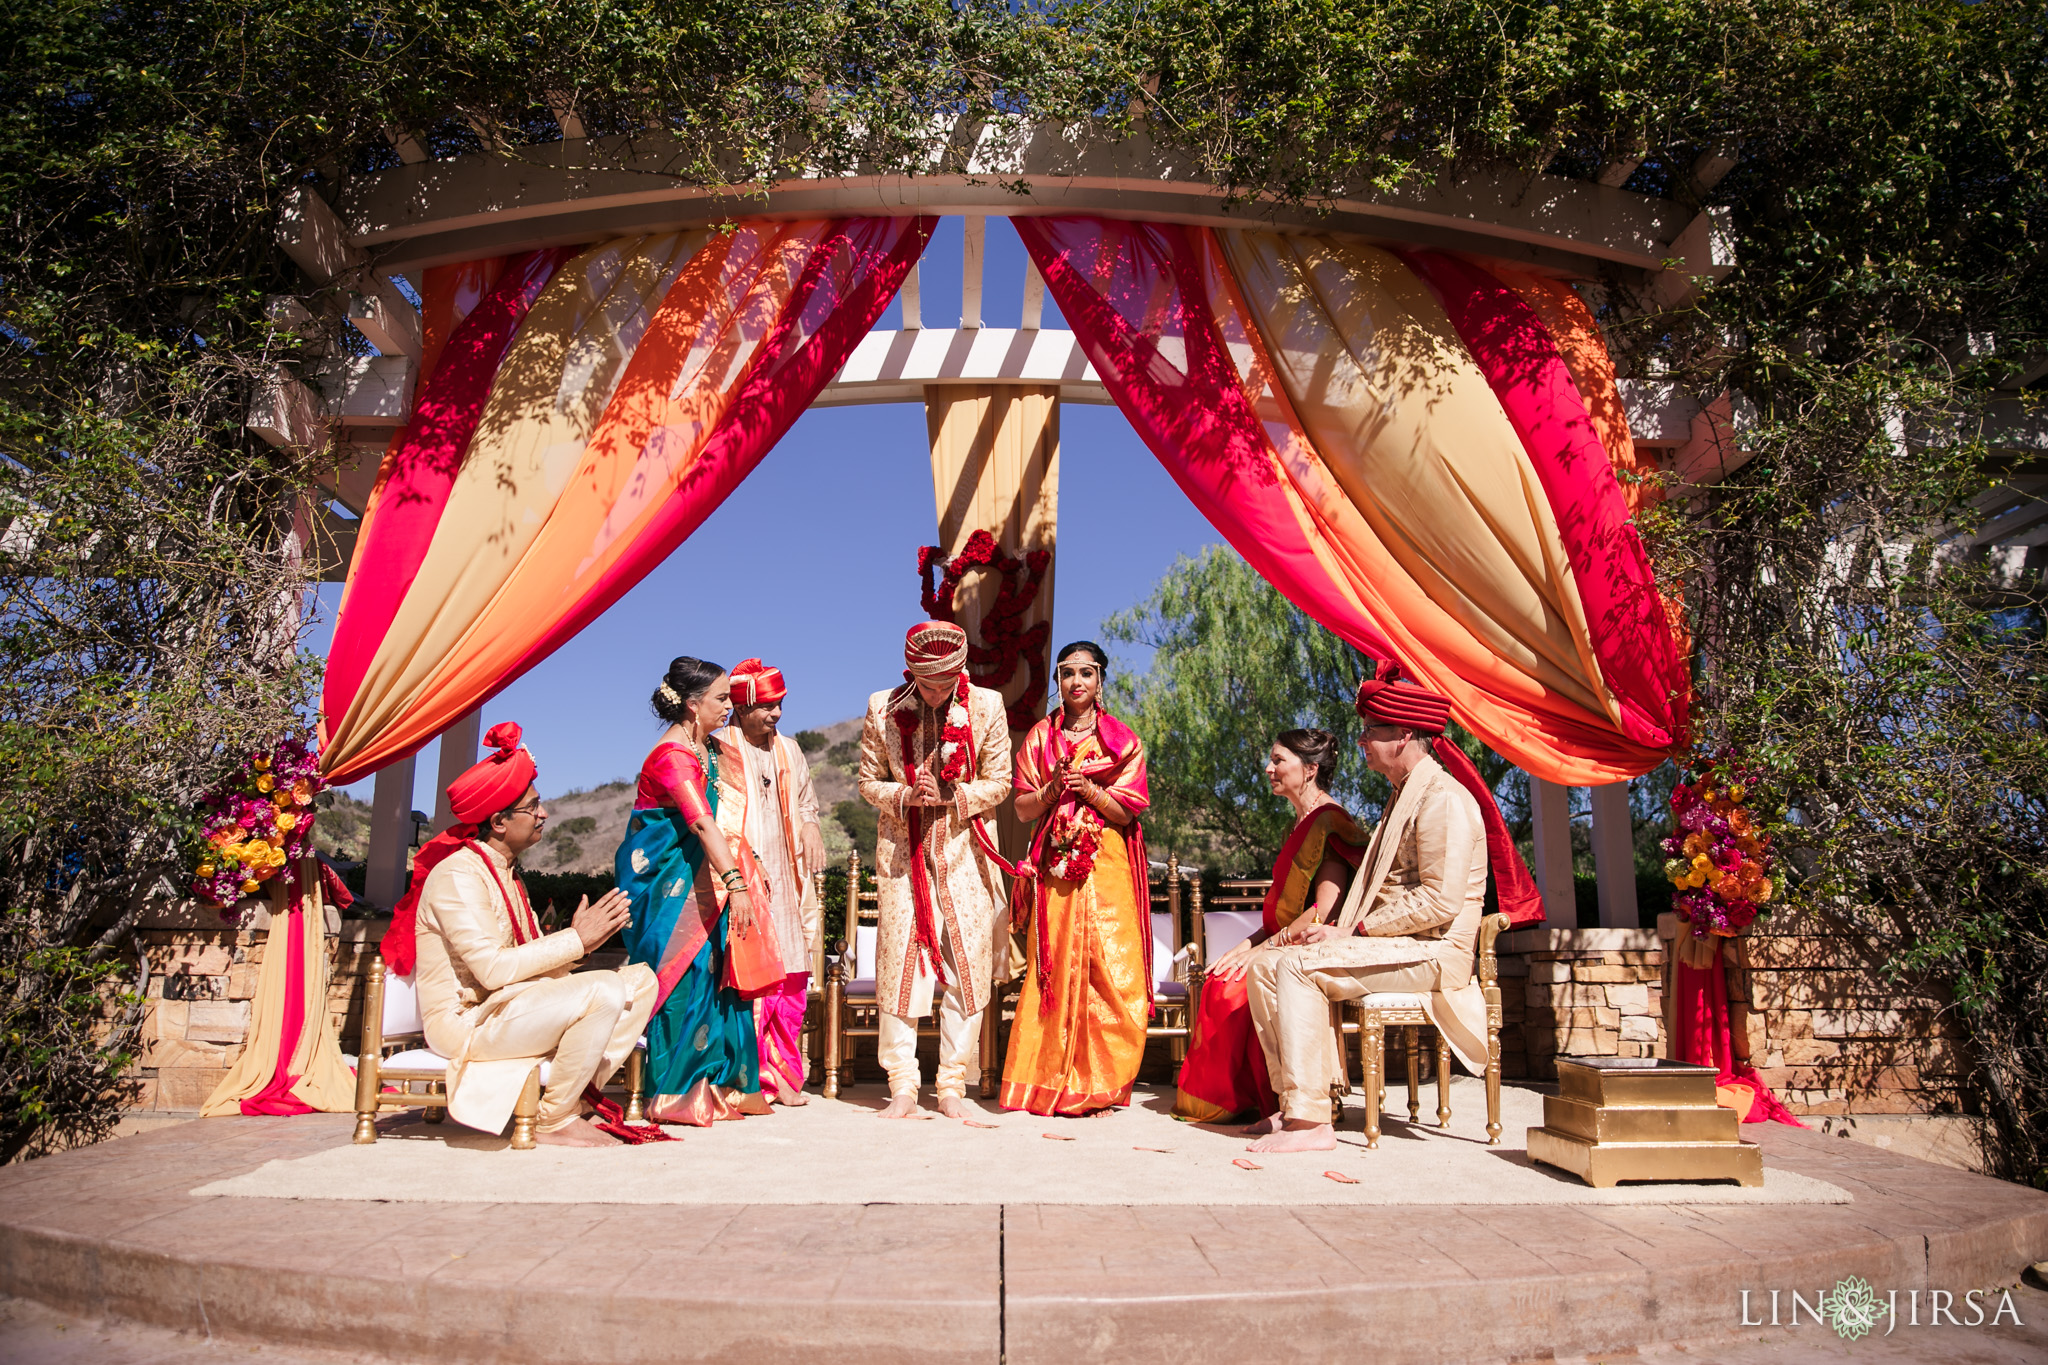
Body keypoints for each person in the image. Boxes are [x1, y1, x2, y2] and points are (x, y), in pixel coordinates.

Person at [1244, 667, 1533, 1153]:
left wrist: (1353, 930)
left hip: (1434, 951)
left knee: (1292, 966)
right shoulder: (1404, 794)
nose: (1361, 742)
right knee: (1266, 967)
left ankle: (1310, 1125)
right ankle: (1306, 1102)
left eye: (1370, 732)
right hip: (1398, 942)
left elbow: (1439, 900)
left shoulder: (1441, 799)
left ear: (1402, 737)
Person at [401, 722, 659, 1148]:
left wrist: (580, 943)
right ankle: (553, 1118)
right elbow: (492, 969)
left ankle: (573, 1101)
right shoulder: (458, 876)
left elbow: (528, 959)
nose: (543, 814)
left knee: (640, 979)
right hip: (470, 1021)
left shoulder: (505, 873)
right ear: (500, 821)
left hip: (511, 1007)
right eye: (533, 807)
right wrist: (576, 940)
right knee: (604, 990)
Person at [857, 621, 1013, 1120]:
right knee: (899, 966)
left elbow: (1001, 781)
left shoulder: (987, 705)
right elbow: (866, 780)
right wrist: (903, 795)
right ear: (910, 672)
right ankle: (902, 1084)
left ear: (961, 671)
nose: (938, 693)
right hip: (903, 855)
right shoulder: (882, 706)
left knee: (968, 966)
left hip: (967, 852)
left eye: (947, 684)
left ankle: (951, 1087)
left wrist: (952, 796)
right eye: (927, 685)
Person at [1171, 730, 1367, 1123]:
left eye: (1279, 760)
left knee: (1230, 990)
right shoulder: (1298, 825)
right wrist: (1243, 947)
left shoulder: (1330, 822)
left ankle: (1271, 1099)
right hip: (1282, 938)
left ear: (1310, 769)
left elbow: (1322, 911)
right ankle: (1240, 1100)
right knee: (1220, 974)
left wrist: (1265, 949)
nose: (1269, 768)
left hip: (1311, 944)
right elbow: (1278, 914)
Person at [616, 657, 771, 1126]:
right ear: (691, 704)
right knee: (687, 976)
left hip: (703, 878)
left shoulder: (705, 749)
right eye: (721, 698)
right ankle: (675, 1093)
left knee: (716, 974)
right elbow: (701, 822)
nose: (729, 706)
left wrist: (748, 864)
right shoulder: (673, 756)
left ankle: (719, 1086)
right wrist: (736, 883)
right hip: (668, 885)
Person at [1002, 641, 1153, 1116]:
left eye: (1086, 673)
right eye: (1067, 673)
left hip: (1107, 866)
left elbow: (1128, 812)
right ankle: (1047, 1081)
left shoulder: (1122, 740)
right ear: (1059, 683)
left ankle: (1104, 1083)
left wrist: (1088, 789)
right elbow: (1022, 807)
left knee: (1111, 968)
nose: (1076, 682)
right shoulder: (1040, 740)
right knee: (1054, 967)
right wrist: (1052, 790)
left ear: (1100, 680)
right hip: (1055, 868)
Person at [712, 658, 826, 1106]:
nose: (776, 714)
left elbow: (806, 802)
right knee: (754, 975)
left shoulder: (791, 749)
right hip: (743, 877)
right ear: (741, 708)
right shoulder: (720, 746)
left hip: (788, 875)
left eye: (779, 704)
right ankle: (749, 1078)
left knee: (792, 974)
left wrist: (813, 827)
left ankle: (782, 1076)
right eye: (766, 706)